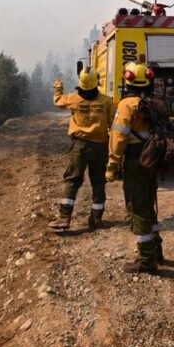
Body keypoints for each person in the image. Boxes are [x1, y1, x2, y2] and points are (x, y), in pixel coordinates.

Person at [106, 62, 163, 274]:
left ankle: (146, 261)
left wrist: (112, 164)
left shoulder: (126, 105)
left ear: (128, 80)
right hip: (152, 159)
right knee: (148, 205)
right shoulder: (154, 102)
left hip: (135, 161)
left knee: (137, 209)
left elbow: (118, 137)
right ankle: (157, 251)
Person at [48, 67, 116, 232]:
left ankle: (64, 217)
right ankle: (96, 218)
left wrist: (58, 87)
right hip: (100, 146)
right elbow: (113, 125)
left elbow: (58, 101)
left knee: (72, 180)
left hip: (80, 146)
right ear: (97, 81)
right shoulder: (107, 101)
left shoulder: (74, 99)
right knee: (98, 181)